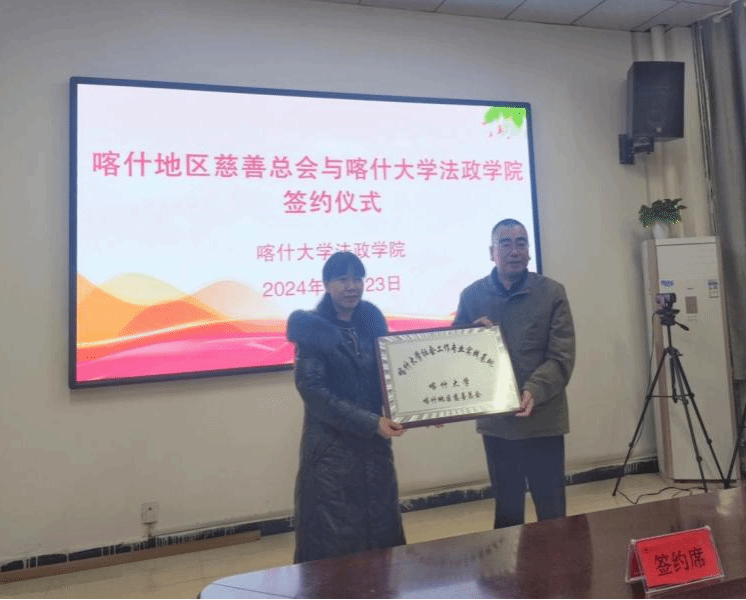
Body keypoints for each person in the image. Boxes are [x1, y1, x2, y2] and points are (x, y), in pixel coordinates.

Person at [452, 218, 575, 529]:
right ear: (491, 252)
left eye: (521, 243)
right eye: (505, 244)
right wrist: (470, 335)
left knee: (552, 510)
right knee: (507, 513)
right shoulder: (472, 296)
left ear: (529, 251)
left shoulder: (552, 293)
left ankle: (557, 562)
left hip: (543, 419)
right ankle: (509, 564)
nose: (514, 251)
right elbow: (453, 353)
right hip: (498, 423)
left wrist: (534, 389)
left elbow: (561, 356)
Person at [286, 251, 406, 563]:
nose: (352, 286)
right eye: (342, 279)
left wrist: (423, 408)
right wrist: (370, 422)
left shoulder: (372, 324)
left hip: (374, 452)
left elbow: (396, 375)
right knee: (336, 549)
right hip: (331, 456)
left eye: (358, 278)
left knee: (381, 543)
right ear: (327, 285)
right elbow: (313, 391)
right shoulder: (312, 330)